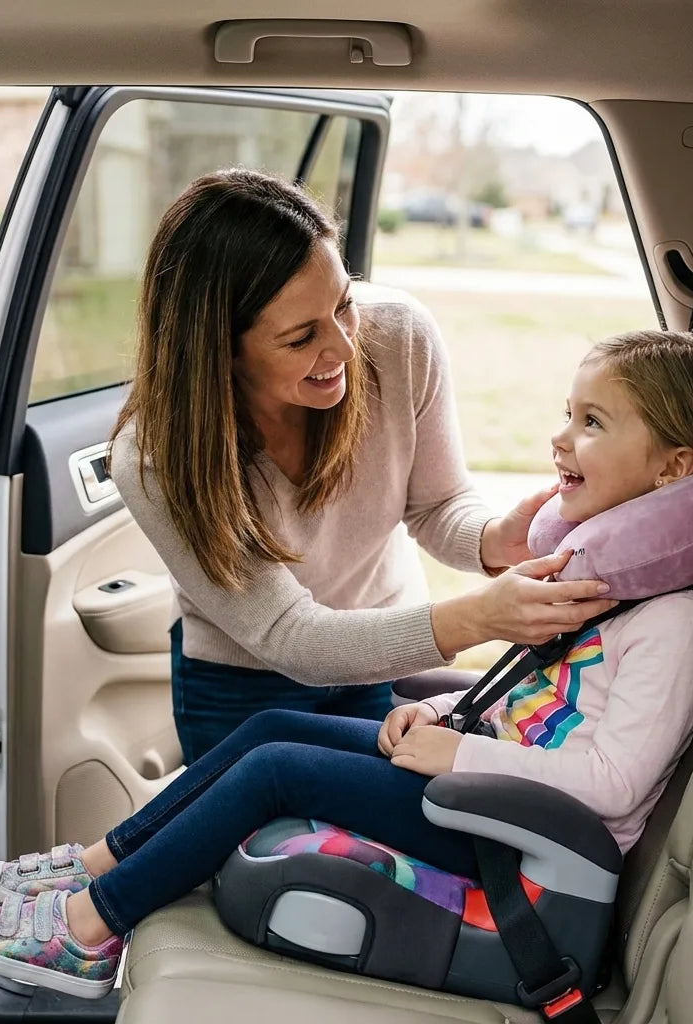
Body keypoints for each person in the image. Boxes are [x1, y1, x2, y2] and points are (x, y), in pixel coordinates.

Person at [0, 329, 693, 999]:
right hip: (484, 789)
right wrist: (442, 717)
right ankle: (91, 867)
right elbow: (531, 705)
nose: (561, 437)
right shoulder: (611, 586)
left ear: (674, 468)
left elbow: (613, 781)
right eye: (567, 413)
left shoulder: (678, 620)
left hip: (523, 841)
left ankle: (86, 934)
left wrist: (459, 754)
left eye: (593, 422)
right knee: (274, 727)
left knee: (278, 772)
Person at [105, 168, 617, 763]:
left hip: (382, 649)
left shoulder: (397, 338)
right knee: (244, 848)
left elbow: (436, 503)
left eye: (344, 304)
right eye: (301, 338)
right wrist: (479, 618)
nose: (346, 347)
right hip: (240, 681)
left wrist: (493, 539)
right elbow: (288, 636)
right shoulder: (154, 457)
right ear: (219, 347)